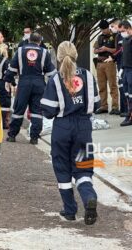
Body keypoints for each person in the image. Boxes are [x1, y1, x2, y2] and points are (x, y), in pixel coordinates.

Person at [41, 41, 100, 225]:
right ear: (75, 55)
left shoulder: (56, 79)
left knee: (62, 168)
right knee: (83, 168)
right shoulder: (88, 76)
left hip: (62, 129)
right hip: (84, 128)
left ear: (58, 57)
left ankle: (69, 210)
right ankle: (89, 197)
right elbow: (96, 104)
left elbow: (48, 111)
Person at [4, 32, 56, 145]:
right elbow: (51, 73)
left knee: (18, 110)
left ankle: (12, 135)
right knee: (37, 111)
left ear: (29, 40)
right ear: (40, 41)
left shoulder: (20, 51)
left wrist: (8, 80)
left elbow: (12, 69)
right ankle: (34, 138)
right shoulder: (44, 52)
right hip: (39, 84)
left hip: (24, 83)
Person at [93, 19, 119, 115]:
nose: (103, 31)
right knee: (101, 86)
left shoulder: (115, 36)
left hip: (109, 63)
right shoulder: (100, 37)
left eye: (104, 29)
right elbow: (94, 50)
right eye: (101, 30)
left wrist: (106, 48)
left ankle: (115, 106)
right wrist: (99, 50)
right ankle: (103, 106)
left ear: (108, 27)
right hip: (99, 63)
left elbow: (117, 50)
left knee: (112, 85)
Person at [118, 20, 132, 126]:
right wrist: (121, 68)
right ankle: (129, 114)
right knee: (126, 93)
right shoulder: (125, 40)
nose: (121, 33)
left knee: (131, 94)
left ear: (128, 28)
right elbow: (124, 55)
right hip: (126, 69)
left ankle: (130, 117)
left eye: (123, 31)